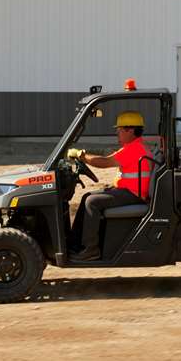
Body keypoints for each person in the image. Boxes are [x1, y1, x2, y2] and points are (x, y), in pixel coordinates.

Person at [65, 111, 155, 261]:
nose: (116, 133)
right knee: (88, 196)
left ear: (130, 130)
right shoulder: (133, 146)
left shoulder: (134, 149)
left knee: (92, 202)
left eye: (119, 130)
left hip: (134, 194)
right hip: (129, 191)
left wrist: (81, 155)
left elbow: (104, 162)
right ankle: (76, 243)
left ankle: (91, 250)